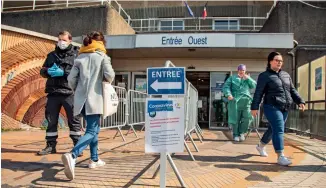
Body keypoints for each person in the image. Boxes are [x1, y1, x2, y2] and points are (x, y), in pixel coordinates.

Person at [62, 31, 115, 180]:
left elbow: (71, 79)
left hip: (81, 100)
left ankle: (95, 159)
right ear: (101, 43)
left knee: (94, 129)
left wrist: (78, 91)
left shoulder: (79, 58)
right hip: (95, 99)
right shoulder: (103, 57)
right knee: (92, 130)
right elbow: (110, 75)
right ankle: (72, 155)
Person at [251, 52, 305, 166]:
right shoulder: (264, 76)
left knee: (273, 129)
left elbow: (292, 90)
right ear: (270, 61)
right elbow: (258, 92)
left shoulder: (286, 75)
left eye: (281, 61)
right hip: (271, 106)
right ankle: (280, 156)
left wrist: (300, 101)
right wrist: (254, 107)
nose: (279, 62)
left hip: (284, 107)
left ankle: (260, 146)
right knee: (279, 129)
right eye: (277, 60)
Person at [38, 31, 81, 155]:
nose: (61, 42)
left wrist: (64, 73)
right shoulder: (51, 55)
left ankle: (77, 146)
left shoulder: (76, 55)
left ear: (70, 41)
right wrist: (47, 72)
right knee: (51, 120)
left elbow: (79, 74)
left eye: (64, 40)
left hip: (69, 93)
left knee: (74, 120)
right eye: (60, 39)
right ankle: (50, 146)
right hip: (53, 92)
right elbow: (42, 70)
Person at [223, 64, 257, 142]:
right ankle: (235, 134)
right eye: (240, 70)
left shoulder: (247, 78)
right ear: (238, 70)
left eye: (243, 70)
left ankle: (242, 133)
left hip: (246, 102)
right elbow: (226, 87)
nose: (242, 71)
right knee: (236, 118)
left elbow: (254, 85)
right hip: (235, 101)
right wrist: (228, 94)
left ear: (245, 71)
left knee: (248, 118)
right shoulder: (232, 78)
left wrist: (248, 78)